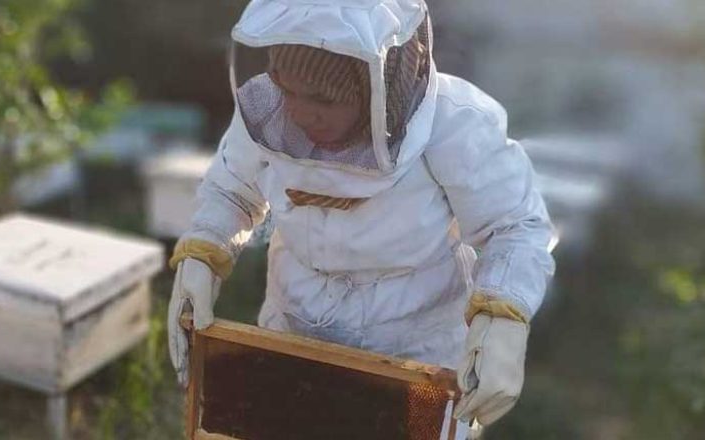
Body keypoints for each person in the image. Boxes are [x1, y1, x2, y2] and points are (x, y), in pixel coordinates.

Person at [166, 0, 557, 436]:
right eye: (288, 88)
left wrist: (504, 318)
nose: (299, 112)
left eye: (324, 97)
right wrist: (203, 254)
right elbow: (231, 189)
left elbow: (515, 227)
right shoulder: (271, 109)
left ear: (383, 86)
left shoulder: (457, 124)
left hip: (415, 349)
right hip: (292, 330)